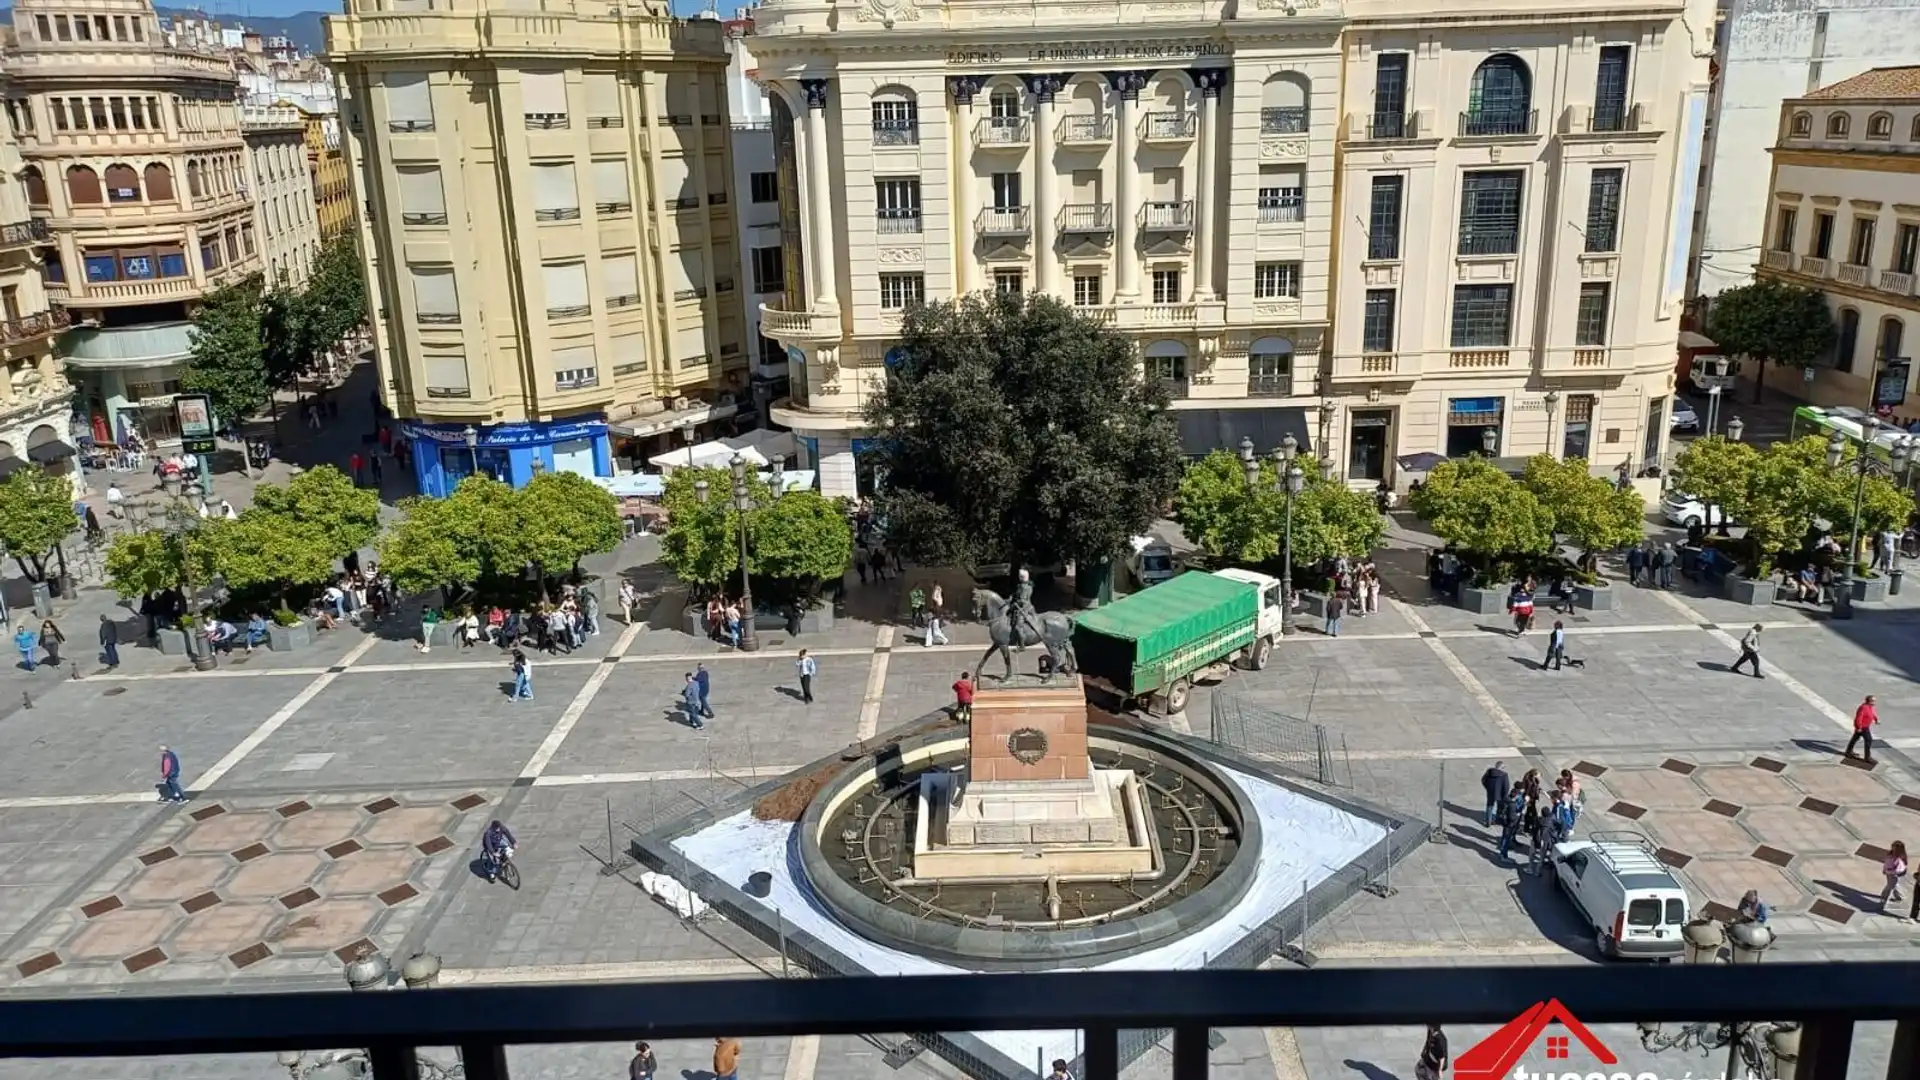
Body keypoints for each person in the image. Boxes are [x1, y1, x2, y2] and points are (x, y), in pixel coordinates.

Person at [1008, 569, 1038, 646]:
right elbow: (1016, 595)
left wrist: (1015, 603)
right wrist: (1011, 598)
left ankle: (1022, 645)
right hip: (1019, 606)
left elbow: (1022, 600)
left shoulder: (1026, 588)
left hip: (1024, 608)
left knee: (1018, 627)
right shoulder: (1020, 586)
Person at [1847, 695, 1880, 764]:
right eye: (1873, 701)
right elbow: (1858, 718)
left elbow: (1872, 713)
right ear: (1869, 701)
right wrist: (1858, 727)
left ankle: (1848, 752)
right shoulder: (1863, 708)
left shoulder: (1870, 707)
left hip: (1864, 727)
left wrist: (1876, 719)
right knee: (1869, 740)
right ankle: (1867, 757)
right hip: (1863, 727)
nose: (1875, 702)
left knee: (1855, 738)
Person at [1480, 761, 1510, 828]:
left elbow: (1483, 780)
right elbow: (1506, 786)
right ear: (1501, 767)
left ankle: (1488, 822)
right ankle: (1497, 820)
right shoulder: (1504, 775)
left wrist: (1487, 788)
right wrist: (1505, 794)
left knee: (1489, 806)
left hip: (1490, 792)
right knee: (1500, 807)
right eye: (1503, 767)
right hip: (1500, 794)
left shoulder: (1489, 772)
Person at [1881, 840, 1909, 910]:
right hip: (1888, 873)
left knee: (1889, 887)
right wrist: (1884, 869)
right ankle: (1899, 897)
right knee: (1893, 885)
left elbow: (1899, 869)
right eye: (1892, 847)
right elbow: (1886, 862)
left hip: (1893, 875)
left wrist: (1890, 871)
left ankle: (1884, 898)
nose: (1893, 848)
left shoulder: (1899, 859)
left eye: (1894, 848)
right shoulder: (1890, 854)